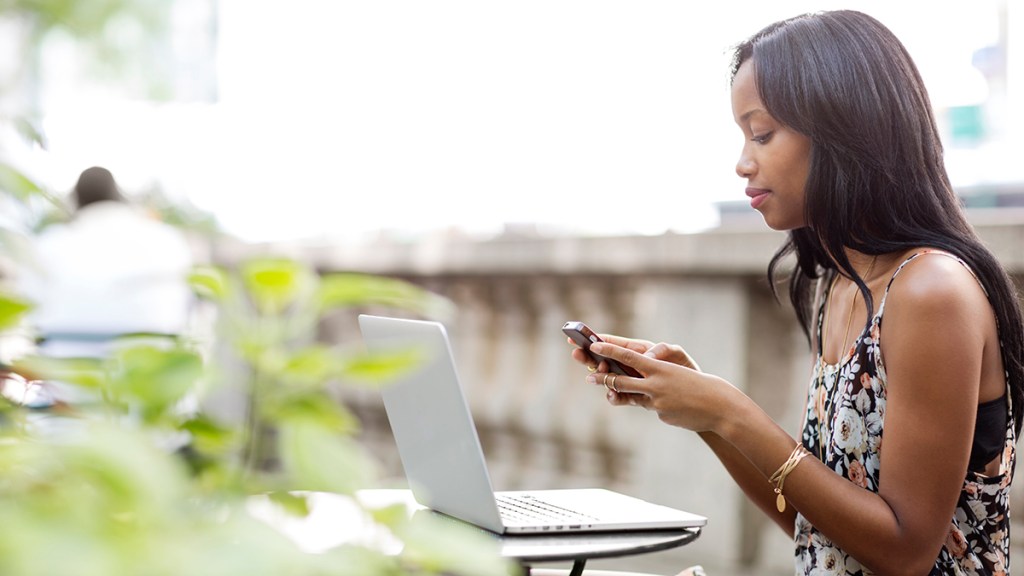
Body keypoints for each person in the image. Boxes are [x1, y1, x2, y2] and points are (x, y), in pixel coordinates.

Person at [570, 10, 1024, 575]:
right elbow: (818, 524)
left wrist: (734, 413)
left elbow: (905, 551)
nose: (742, 162)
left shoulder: (932, 293)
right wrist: (709, 416)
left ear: (844, 129)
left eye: (761, 134)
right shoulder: (840, 285)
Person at [17, 166, 194, 359]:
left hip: (66, 373)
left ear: (76, 203)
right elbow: (184, 310)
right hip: (149, 374)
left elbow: (29, 313)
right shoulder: (168, 241)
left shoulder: (48, 244)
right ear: (120, 197)